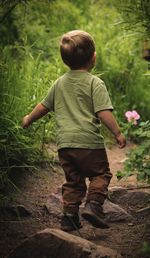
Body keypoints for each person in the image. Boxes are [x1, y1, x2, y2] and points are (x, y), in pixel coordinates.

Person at [22, 30, 126, 232]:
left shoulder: (59, 83)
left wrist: (28, 119)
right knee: (100, 174)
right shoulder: (95, 82)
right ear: (93, 57)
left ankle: (69, 217)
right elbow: (104, 113)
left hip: (65, 145)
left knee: (73, 181)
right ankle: (94, 206)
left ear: (65, 60)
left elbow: (43, 107)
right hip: (89, 144)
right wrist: (118, 133)